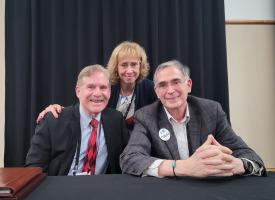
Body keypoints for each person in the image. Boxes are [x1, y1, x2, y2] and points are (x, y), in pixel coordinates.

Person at [120, 60, 266, 178]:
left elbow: (250, 156)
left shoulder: (211, 111)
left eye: (176, 82)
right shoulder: (146, 116)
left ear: (188, 85)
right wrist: (182, 167)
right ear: (157, 92)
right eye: (162, 85)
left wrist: (237, 164)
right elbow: (130, 159)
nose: (170, 90)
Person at [26, 65, 129, 176]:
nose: (97, 93)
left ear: (109, 92)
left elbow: (128, 157)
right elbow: (34, 167)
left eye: (103, 88)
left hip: (101, 188)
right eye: (91, 87)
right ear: (78, 91)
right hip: (61, 188)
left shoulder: (116, 120)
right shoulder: (53, 120)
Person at [36, 41, 157, 130]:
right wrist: (58, 110)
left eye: (134, 64)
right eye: (124, 65)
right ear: (116, 67)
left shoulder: (151, 88)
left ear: (140, 66)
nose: (129, 70)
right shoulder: (105, 85)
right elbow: (83, 108)